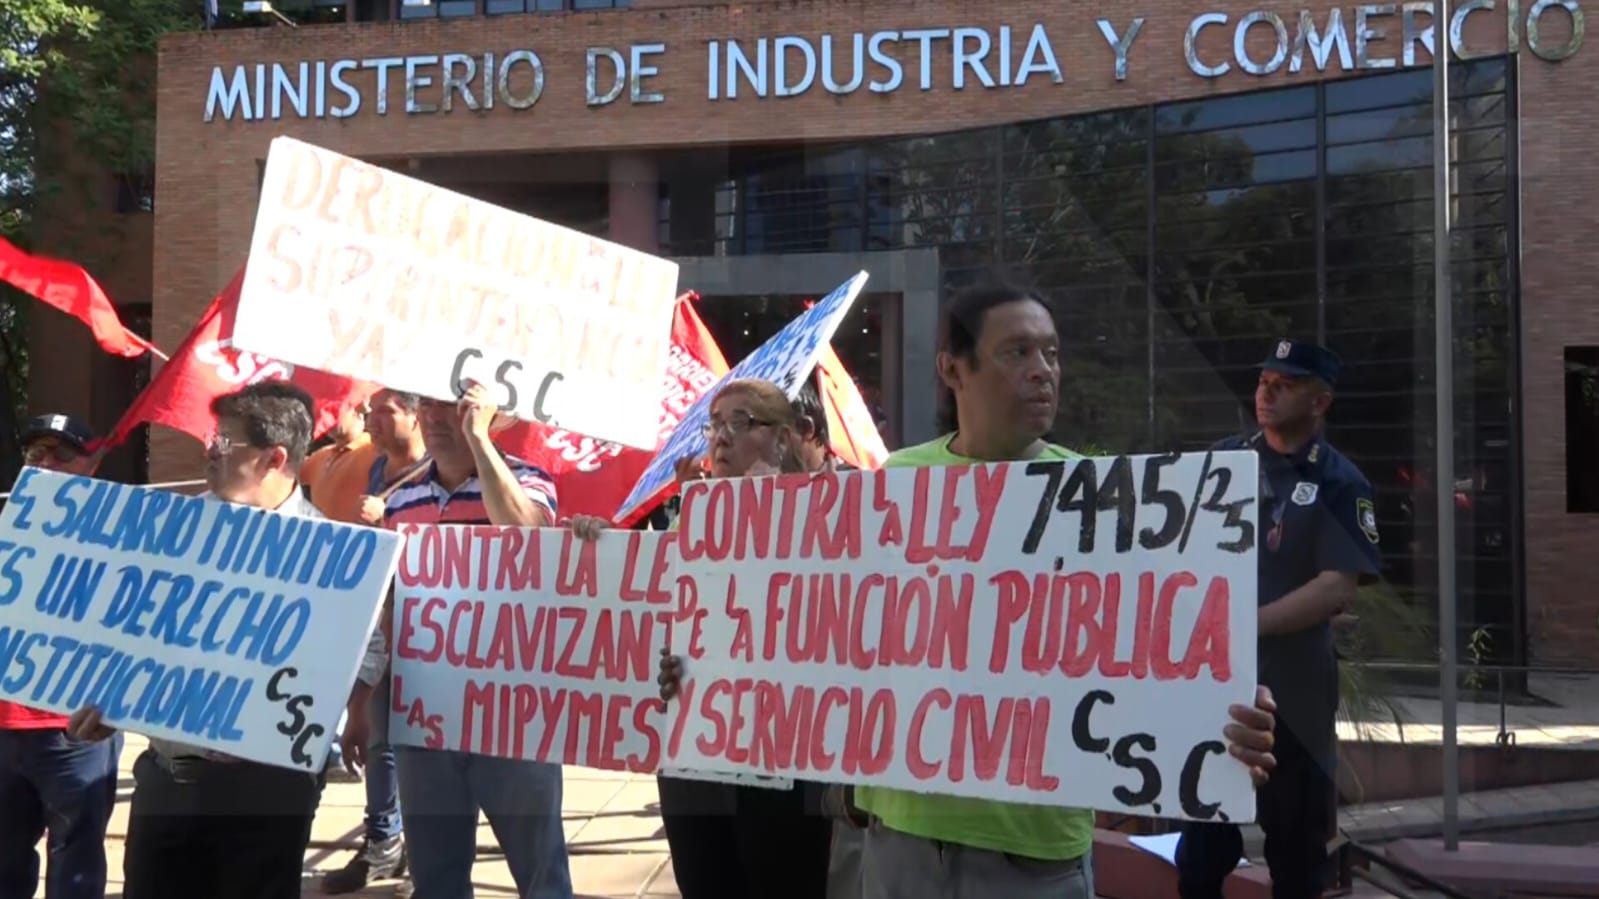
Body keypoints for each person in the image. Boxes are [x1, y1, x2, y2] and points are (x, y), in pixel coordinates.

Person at [656, 284, 1280, 899]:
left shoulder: (1100, 499)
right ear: (953, 369)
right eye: (1018, 353)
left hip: (1034, 855)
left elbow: (1159, 650)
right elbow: (818, 636)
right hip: (898, 841)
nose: (1043, 372)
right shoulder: (894, 484)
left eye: (1052, 354)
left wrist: (1219, 711)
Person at [66, 382, 340, 899]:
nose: (208, 450)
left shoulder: (334, 559)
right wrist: (111, 703)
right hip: (167, 782)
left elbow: (356, 659)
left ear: (273, 459)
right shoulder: (171, 532)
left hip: (267, 793)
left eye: (224, 441)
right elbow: (131, 633)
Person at [571, 378, 834, 899]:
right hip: (694, 759)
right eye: (714, 424)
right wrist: (599, 551)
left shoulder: (827, 520)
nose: (721, 437)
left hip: (783, 765)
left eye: (741, 422)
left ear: (783, 439)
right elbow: (651, 625)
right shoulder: (685, 523)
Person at [338, 381, 572, 899]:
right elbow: (395, 608)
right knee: (436, 878)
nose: (439, 416)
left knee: (541, 874)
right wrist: (365, 701)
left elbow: (529, 537)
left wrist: (481, 441)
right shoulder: (401, 499)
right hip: (427, 723)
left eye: (455, 403)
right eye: (430, 403)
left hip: (514, 717)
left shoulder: (529, 480)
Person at [1176, 340, 1380, 899]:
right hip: (1217, 688)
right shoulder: (1226, 459)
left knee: (1295, 860)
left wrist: (1243, 623)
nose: (1266, 391)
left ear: (1320, 401)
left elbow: (1337, 587)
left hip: (1295, 694)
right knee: (1199, 856)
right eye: (1264, 379)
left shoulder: (1341, 482)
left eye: (1284, 384)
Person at [0, 415, 122, 899]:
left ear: (92, 465)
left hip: (76, 730)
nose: (46, 464)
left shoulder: (122, 540)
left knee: (75, 868)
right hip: (5, 729)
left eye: (62, 454)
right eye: (36, 455)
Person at [320, 389, 428, 896]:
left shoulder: (436, 470)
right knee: (379, 736)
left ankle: (403, 840)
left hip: (433, 631)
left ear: (414, 416)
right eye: (370, 413)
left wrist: (389, 520)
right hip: (380, 619)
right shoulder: (375, 471)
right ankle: (385, 839)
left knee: (400, 743)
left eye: (384, 413)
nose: (372, 422)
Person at [301, 404, 375, 521]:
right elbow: (284, 469)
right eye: (324, 411)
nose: (327, 417)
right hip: (321, 536)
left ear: (357, 409)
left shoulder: (374, 449)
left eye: (335, 410)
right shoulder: (322, 455)